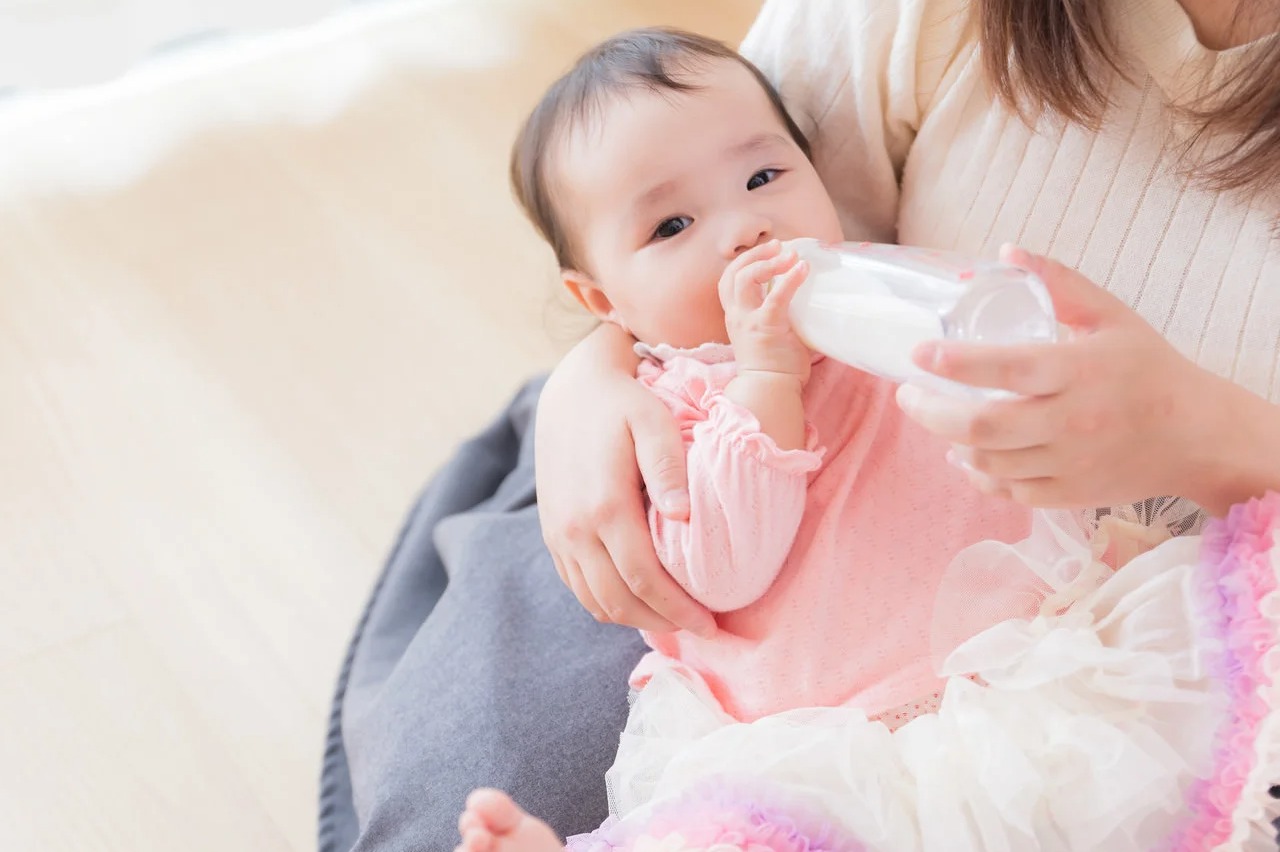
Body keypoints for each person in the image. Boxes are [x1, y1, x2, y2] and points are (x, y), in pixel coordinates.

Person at [318, 1, 1280, 850]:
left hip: (1022, 643)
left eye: (766, 177)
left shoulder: (865, 305)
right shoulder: (686, 406)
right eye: (671, 227)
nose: (747, 229)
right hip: (819, 722)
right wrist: (667, 377)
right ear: (599, 298)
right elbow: (718, 568)